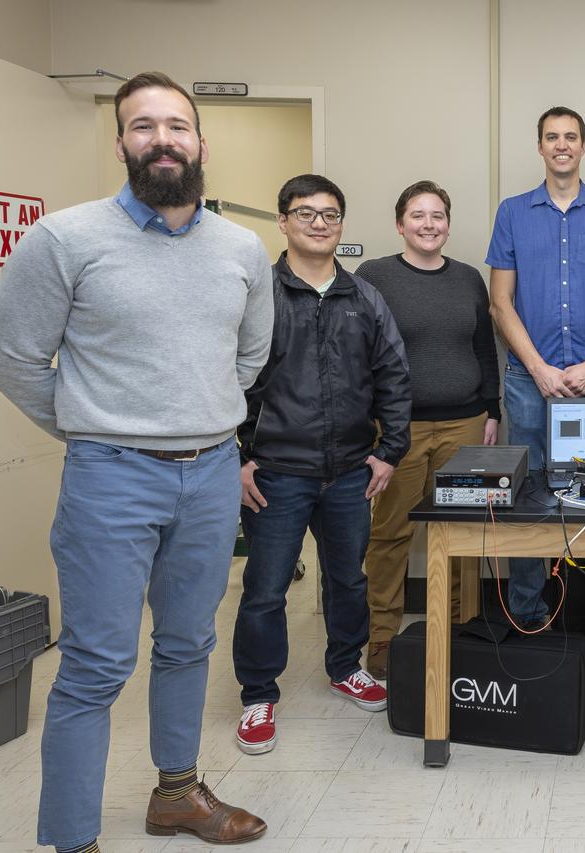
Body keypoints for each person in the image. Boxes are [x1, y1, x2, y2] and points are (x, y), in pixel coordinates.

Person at [0, 71, 272, 851]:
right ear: (120, 144)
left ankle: (177, 794)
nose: (162, 139)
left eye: (177, 125)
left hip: (211, 473)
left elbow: (250, 357)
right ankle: (73, 838)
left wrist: (195, 417)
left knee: (189, 643)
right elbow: (14, 360)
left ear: (202, 142)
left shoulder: (242, 248)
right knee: (95, 663)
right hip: (110, 477)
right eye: (143, 126)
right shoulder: (65, 239)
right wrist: (98, 426)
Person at [232, 174, 411, 754]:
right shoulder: (259, 295)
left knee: (348, 579)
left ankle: (345, 667)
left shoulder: (364, 298)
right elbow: (227, 379)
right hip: (276, 473)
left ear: (341, 224)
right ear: (283, 221)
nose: (318, 223)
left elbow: (393, 375)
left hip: (350, 472)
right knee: (266, 589)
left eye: (330, 214)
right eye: (305, 212)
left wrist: (389, 451)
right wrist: (238, 458)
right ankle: (258, 694)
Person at [487, 106, 585, 667]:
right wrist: (539, 368)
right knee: (530, 499)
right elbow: (500, 302)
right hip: (531, 382)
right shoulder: (512, 212)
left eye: (570, 136)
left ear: (583, 146)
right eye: (551, 137)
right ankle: (527, 615)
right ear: (540, 147)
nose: (561, 145)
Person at [357, 180, 500, 679]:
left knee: (461, 531)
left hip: (465, 425)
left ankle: (459, 628)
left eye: (437, 215)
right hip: (400, 431)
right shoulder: (374, 276)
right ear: (400, 224)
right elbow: (358, 352)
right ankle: (381, 638)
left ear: (448, 225)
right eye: (418, 215)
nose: (428, 224)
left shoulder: (468, 278)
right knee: (390, 534)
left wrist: (492, 410)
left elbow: (484, 349)